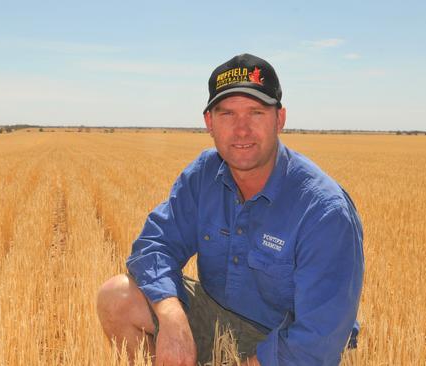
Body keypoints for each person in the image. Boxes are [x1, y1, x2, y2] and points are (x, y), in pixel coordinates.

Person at [97, 53, 364, 366]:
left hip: (287, 342)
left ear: (279, 119)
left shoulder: (324, 210)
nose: (241, 129)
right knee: (117, 297)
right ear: (209, 122)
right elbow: (154, 246)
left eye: (256, 113)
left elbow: (317, 340)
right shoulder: (203, 175)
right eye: (227, 115)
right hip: (218, 319)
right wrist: (171, 317)